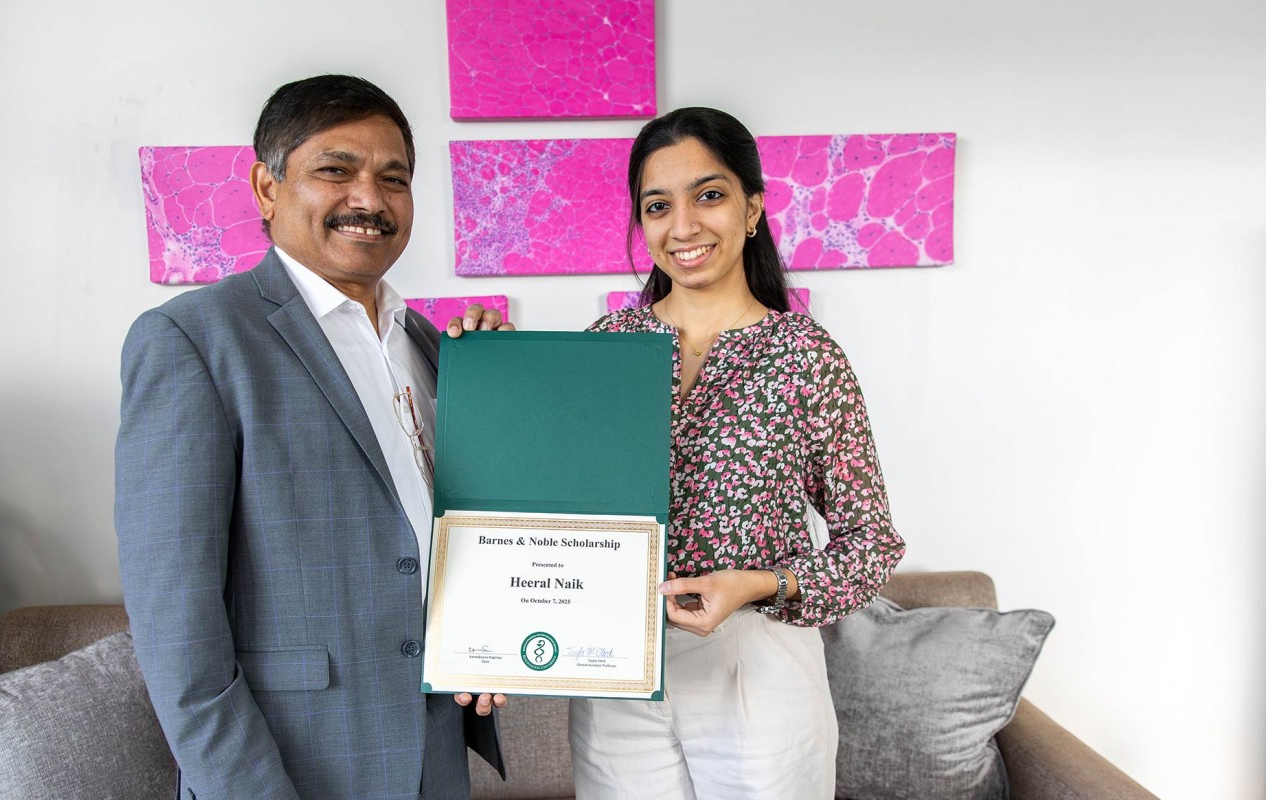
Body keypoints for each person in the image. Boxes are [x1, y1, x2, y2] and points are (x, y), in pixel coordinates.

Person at [115, 74, 508, 800]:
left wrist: (502, 379)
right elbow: (176, 627)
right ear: (268, 188)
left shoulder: (428, 342)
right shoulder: (193, 340)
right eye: (336, 170)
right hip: (295, 766)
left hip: (434, 756)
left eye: (393, 178)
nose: (369, 198)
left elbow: (451, 537)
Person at [570, 107, 907, 799]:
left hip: (759, 665)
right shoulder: (606, 344)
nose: (683, 225)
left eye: (709, 194)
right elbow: (558, 500)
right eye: (658, 205)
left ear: (752, 208)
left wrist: (761, 584)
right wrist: (478, 354)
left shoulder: (805, 355)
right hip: (620, 665)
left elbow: (869, 542)